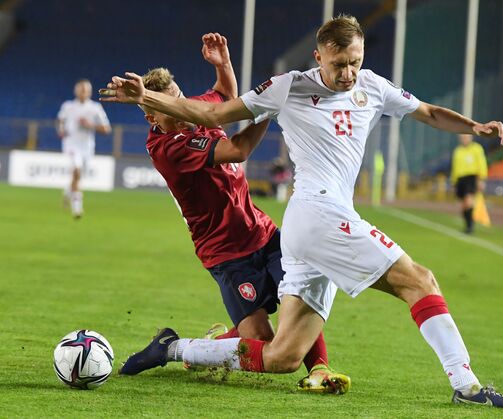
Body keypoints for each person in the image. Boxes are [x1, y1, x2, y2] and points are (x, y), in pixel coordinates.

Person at [100, 16, 503, 409]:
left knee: (281, 355)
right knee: (419, 280)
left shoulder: (374, 86)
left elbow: (429, 112)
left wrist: (474, 126)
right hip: (315, 213)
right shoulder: (289, 86)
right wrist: (150, 96)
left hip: (295, 228)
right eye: (339, 63)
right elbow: (214, 113)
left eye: (355, 63)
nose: (347, 73)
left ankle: (173, 350)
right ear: (319, 56)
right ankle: (468, 385)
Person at [117, 33, 349, 394]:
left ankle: (319, 368)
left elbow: (223, 93)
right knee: (260, 338)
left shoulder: (193, 111)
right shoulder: (167, 147)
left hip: (264, 234)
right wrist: (271, 108)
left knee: (301, 297)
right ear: (151, 116)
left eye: (180, 98)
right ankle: (181, 350)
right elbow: (238, 150)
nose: (182, 109)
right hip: (226, 254)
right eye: (169, 107)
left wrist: (222, 63)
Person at [56, 79, 111, 218]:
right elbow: (60, 121)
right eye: (81, 89)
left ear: (90, 92)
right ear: (76, 91)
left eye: (86, 90)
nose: (83, 92)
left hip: (87, 147)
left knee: (78, 176)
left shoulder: (95, 108)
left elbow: (106, 129)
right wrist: (61, 130)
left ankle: (68, 192)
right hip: (71, 144)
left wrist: (90, 125)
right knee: (77, 170)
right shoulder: (68, 106)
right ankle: (77, 208)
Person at [450, 134, 488, 234]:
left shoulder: (476, 149)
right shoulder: (457, 151)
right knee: (463, 205)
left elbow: (482, 163)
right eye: (462, 137)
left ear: (471, 138)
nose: (464, 139)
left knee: (468, 200)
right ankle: (467, 224)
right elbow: (455, 167)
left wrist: (481, 179)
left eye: (466, 137)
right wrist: (454, 182)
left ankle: (470, 226)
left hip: (471, 177)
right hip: (460, 179)